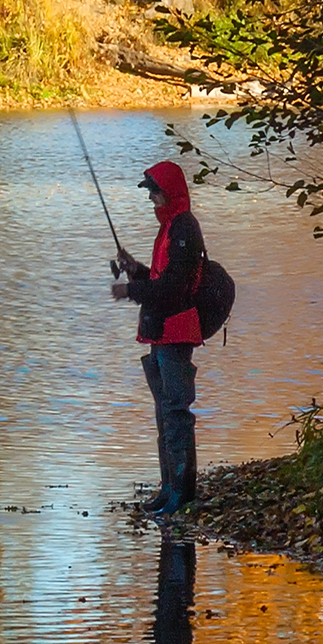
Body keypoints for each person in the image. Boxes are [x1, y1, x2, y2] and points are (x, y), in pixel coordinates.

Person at [113, 160, 208, 514]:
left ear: (170, 194)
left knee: (175, 412)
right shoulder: (168, 228)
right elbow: (158, 279)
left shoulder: (184, 228)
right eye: (151, 193)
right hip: (158, 334)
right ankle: (168, 489)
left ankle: (181, 495)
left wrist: (130, 291)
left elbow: (170, 288)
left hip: (176, 334)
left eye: (155, 192)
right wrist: (133, 268)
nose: (152, 199)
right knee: (163, 413)